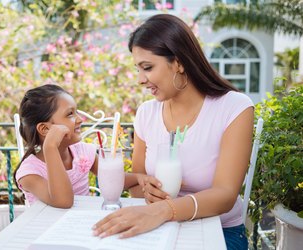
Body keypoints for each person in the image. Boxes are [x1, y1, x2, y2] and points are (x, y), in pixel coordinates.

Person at [92, 14, 253, 250]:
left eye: (147, 68)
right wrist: (147, 192)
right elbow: (138, 183)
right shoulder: (146, 113)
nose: (140, 80)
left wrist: (164, 210)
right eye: (138, 69)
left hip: (219, 231)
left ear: (178, 62)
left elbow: (225, 195)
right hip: (158, 228)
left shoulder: (233, 107)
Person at [14, 84, 144, 208]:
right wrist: (50, 147)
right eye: (70, 114)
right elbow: (63, 201)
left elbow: (113, 179)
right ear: (44, 129)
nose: (80, 119)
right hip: (49, 229)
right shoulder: (29, 172)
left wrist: (141, 178)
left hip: (80, 224)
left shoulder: (83, 152)